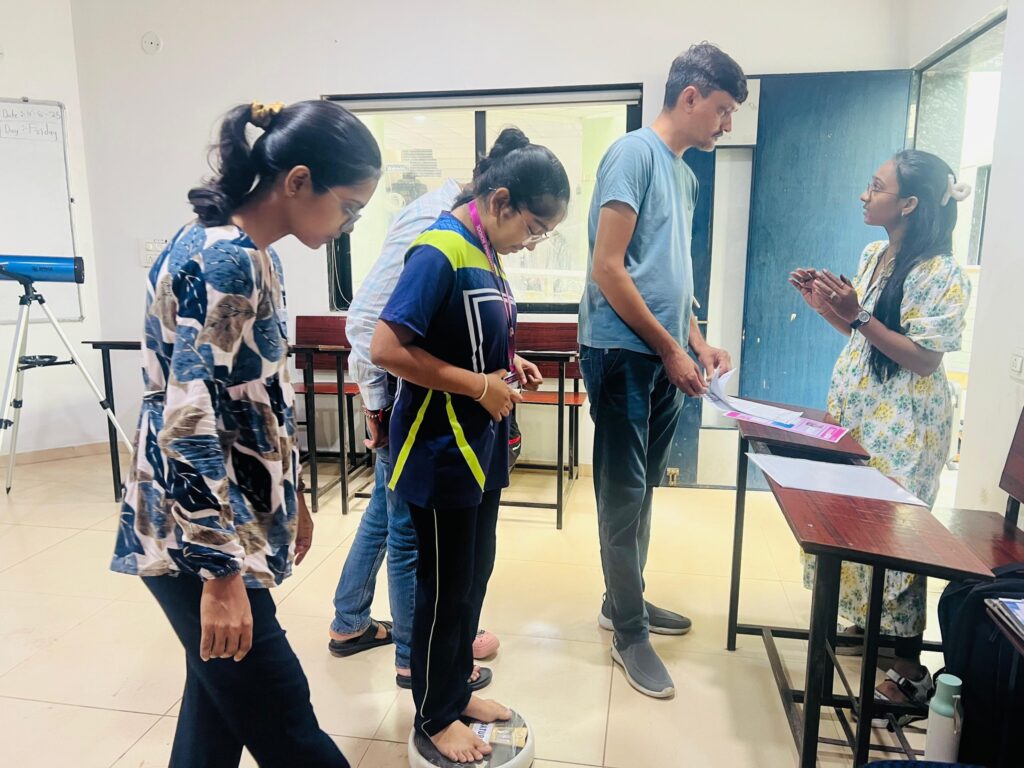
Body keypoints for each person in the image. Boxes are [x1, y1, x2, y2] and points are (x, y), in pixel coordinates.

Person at [110, 99, 381, 768]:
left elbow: (255, 401)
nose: (347, 225)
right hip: (199, 535)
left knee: (215, 716)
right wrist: (221, 575)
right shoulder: (225, 258)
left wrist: (292, 497)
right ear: (297, 181)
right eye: (348, 208)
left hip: (219, 521)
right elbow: (188, 417)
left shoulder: (250, 253)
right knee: (286, 724)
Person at [370, 127, 568, 763]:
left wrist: (508, 366)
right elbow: (387, 347)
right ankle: (434, 714)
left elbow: (465, 334)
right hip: (437, 452)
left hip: (478, 448)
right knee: (442, 587)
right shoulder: (439, 250)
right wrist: (479, 386)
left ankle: (455, 691)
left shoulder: (485, 250)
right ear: (502, 200)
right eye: (534, 227)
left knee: (471, 577)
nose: (532, 241)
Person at [578, 43, 747, 699]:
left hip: (661, 355)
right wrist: (670, 349)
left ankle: (622, 601)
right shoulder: (633, 154)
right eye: (723, 110)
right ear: (690, 96)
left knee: (644, 489)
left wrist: (695, 341)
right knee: (623, 494)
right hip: (622, 352)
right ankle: (629, 633)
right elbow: (608, 267)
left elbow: (672, 275)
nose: (726, 124)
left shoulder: (684, 175)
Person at [790, 149, 972, 708]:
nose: (864, 196)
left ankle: (908, 667)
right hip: (861, 415)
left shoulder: (941, 273)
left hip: (906, 426)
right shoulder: (876, 254)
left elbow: (923, 359)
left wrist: (858, 314)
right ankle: (865, 626)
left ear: (910, 203)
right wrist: (828, 308)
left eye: (876, 187)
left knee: (895, 535)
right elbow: (865, 337)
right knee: (850, 521)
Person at [327, 175, 500, 688]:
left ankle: (350, 620)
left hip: (399, 395)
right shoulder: (438, 229)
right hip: (401, 401)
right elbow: (369, 326)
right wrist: (376, 406)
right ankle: (412, 654)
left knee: (385, 513)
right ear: (497, 195)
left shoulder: (466, 228)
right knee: (408, 532)